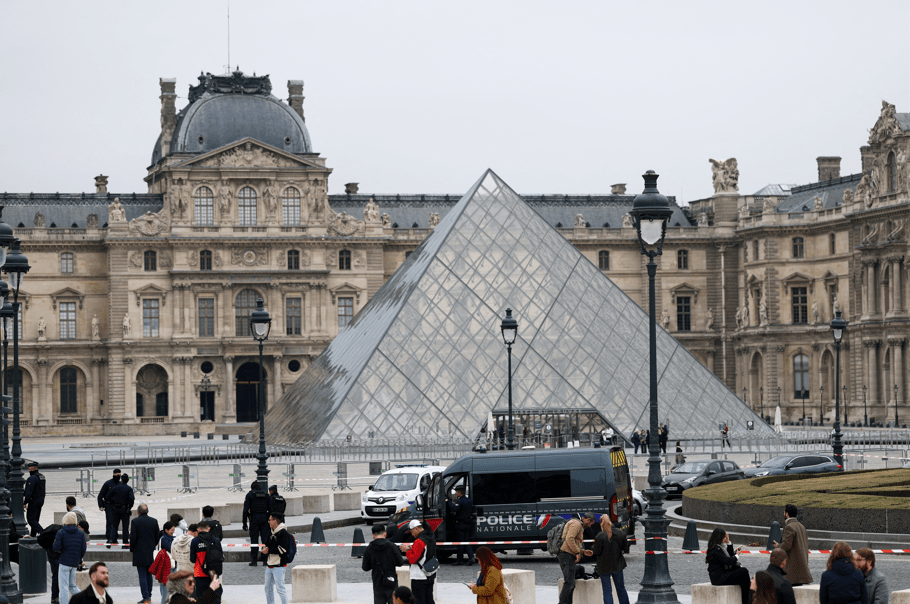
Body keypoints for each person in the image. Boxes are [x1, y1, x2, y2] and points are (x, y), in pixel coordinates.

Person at [557, 512, 596, 604]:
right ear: (588, 520)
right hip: (566, 556)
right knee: (569, 583)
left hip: (567, 555)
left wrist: (582, 551)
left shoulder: (578, 524)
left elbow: (573, 541)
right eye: (591, 524)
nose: (590, 526)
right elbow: (569, 538)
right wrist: (577, 552)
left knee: (571, 584)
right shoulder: (576, 523)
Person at [363, 523, 405, 604]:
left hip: (377, 583)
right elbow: (400, 562)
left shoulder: (368, 549)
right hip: (391, 580)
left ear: (373, 535)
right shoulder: (392, 546)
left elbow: (365, 567)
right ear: (385, 534)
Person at [591, 515, 630, 604]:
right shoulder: (620, 533)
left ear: (601, 523)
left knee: (607, 591)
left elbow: (596, 551)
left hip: (604, 566)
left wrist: (592, 547)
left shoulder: (600, 536)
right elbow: (625, 547)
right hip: (617, 564)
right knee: (621, 589)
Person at [705, 528, 750, 604]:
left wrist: (728, 542)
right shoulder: (717, 549)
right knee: (744, 572)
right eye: (724, 537)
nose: (725, 538)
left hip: (723, 575)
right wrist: (737, 556)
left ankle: (746, 599)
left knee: (743, 575)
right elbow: (728, 561)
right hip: (719, 578)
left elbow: (730, 558)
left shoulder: (719, 547)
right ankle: (747, 600)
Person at [772, 504, 812, 586]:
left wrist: (777, 546)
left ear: (786, 514)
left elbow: (786, 546)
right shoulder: (801, 526)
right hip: (801, 568)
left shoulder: (789, 527)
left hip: (792, 570)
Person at [399, 520, 437, 604]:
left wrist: (407, 551)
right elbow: (425, 553)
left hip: (419, 577)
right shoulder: (431, 538)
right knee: (429, 600)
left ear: (416, 528)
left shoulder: (419, 541)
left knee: (418, 601)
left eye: (411, 531)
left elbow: (412, 559)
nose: (411, 534)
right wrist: (411, 549)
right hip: (430, 574)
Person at [130, 503, 160, 604]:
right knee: (149, 574)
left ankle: (146, 597)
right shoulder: (154, 521)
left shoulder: (135, 521)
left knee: (142, 575)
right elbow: (157, 537)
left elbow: (133, 538)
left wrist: (132, 549)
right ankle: (149, 595)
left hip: (139, 551)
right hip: (151, 551)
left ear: (138, 512)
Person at [53, 512, 86, 604]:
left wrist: (61, 550)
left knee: (63, 586)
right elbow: (83, 549)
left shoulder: (61, 532)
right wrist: (79, 559)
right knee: (72, 585)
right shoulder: (80, 533)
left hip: (64, 562)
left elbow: (56, 547)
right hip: (74, 563)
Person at [261, 513, 292, 604]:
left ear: (275, 521)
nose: (268, 521)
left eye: (270, 520)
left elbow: (282, 549)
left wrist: (269, 550)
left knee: (280, 589)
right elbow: (267, 543)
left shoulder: (283, 533)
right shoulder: (271, 531)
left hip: (279, 565)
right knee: (267, 588)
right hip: (270, 564)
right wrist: (265, 548)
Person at [190, 521, 223, 604]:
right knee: (215, 594)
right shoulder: (216, 540)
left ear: (198, 529)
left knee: (201, 596)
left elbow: (192, 559)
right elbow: (221, 556)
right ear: (208, 529)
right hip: (213, 572)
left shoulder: (195, 541)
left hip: (200, 572)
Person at [242, 481, 271, 566]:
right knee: (265, 539)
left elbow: (245, 510)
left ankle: (254, 560)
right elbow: (271, 508)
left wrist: (244, 523)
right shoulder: (266, 494)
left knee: (254, 540)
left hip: (254, 518)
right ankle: (265, 559)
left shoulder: (250, 495)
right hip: (264, 519)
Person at [446, 485, 475, 566]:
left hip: (461, 524)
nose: (456, 494)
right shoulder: (469, 500)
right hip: (468, 524)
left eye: (457, 492)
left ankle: (460, 560)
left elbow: (454, 508)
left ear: (459, 492)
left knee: (460, 543)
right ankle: (471, 557)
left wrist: (448, 501)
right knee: (466, 542)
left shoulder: (460, 501)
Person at [106, 473, 134, 547]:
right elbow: (131, 499)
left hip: (116, 508)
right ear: (127, 480)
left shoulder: (116, 487)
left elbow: (107, 496)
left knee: (114, 525)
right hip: (125, 509)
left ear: (121, 480)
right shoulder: (129, 488)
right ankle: (125, 543)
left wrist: (114, 501)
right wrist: (129, 507)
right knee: (125, 527)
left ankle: (110, 540)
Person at [150, 521, 176, 604]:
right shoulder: (164, 539)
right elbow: (171, 548)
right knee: (165, 587)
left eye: (174, 529)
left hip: (169, 564)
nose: (173, 531)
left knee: (165, 585)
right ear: (166, 530)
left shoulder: (171, 537)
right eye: (172, 530)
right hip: (166, 565)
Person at [97, 469, 121, 545]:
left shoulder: (120, 484)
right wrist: (101, 505)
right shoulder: (108, 484)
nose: (118, 477)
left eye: (119, 475)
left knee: (116, 523)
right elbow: (100, 496)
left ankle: (114, 537)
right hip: (109, 506)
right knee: (110, 522)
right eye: (117, 475)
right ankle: (109, 538)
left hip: (117, 506)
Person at [24, 461, 46, 536]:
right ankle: (33, 535)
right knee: (35, 519)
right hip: (41, 500)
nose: (29, 470)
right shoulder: (42, 477)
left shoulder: (32, 478)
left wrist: (25, 502)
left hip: (34, 501)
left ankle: (43, 533)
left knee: (31, 519)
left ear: (32, 469)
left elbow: (28, 492)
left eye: (29, 469)